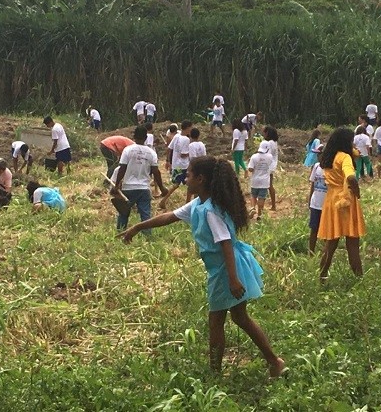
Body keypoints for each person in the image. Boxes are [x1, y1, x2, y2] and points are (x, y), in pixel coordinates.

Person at [118, 156, 284, 378]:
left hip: (226, 269)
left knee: (216, 322)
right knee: (239, 317)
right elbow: (169, 216)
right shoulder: (200, 203)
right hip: (225, 267)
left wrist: (233, 279)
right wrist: (138, 226)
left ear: (201, 179)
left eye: (188, 174)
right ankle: (274, 361)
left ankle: (217, 373)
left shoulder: (210, 211)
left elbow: (225, 244)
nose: (185, 178)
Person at [317, 128, 365, 281]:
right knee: (352, 244)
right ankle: (359, 280)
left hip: (331, 200)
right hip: (345, 201)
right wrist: (356, 192)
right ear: (346, 142)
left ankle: (322, 276)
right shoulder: (345, 157)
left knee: (330, 245)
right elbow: (351, 177)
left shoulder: (329, 157)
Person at [114, 126, 168, 232]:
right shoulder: (151, 153)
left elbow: (122, 168)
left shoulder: (127, 150)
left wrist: (116, 185)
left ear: (134, 136)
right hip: (144, 188)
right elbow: (156, 172)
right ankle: (147, 236)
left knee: (123, 213)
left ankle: (121, 233)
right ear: (145, 138)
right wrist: (162, 188)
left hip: (128, 188)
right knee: (145, 215)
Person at [159, 120, 193, 209]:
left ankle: (164, 200)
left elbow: (169, 149)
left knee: (176, 184)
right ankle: (187, 203)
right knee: (190, 183)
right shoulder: (186, 139)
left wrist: (168, 161)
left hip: (176, 165)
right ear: (187, 128)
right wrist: (191, 152)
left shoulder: (176, 136)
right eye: (190, 127)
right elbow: (183, 154)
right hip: (184, 165)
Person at [307, 151, 327, 255]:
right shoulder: (316, 166)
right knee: (314, 229)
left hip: (327, 205)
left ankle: (326, 253)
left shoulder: (331, 168)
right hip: (316, 203)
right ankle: (311, 252)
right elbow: (312, 185)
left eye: (320, 154)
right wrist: (310, 200)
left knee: (327, 231)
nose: (318, 156)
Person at [248, 143, 272, 220]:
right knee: (261, 197)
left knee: (253, 195)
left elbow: (250, 169)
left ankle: (252, 208)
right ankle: (259, 214)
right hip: (264, 182)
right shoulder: (270, 157)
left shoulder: (254, 157)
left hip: (255, 180)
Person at [260, 126, 280, 211]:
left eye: (264, 132)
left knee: (266, 186)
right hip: (272, 166)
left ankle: (268, 206)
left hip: (268, 166)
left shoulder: (269, 143)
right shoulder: (274, 142)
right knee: (269, 185)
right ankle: (272, 205)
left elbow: (267, 155)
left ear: (267, 133)